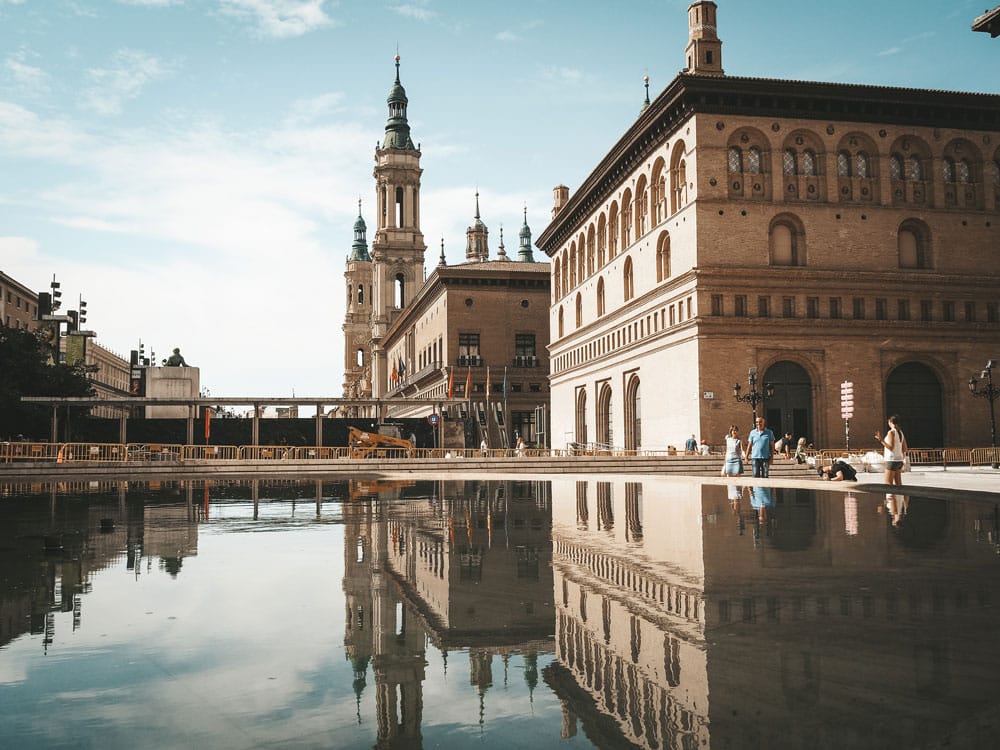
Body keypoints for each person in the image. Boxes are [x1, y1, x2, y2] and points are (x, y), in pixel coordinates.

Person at [875, 415, 908, 487]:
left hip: (891, 460)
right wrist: (900, 456)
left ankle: (891, 498)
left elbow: (890, 447)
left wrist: (881, 440)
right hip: (899, 460)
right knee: (898, 485)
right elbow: (905, 448)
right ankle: (900, 498)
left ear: (890, 422)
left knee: (888, 485)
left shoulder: (891, 432)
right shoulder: (901, 432)